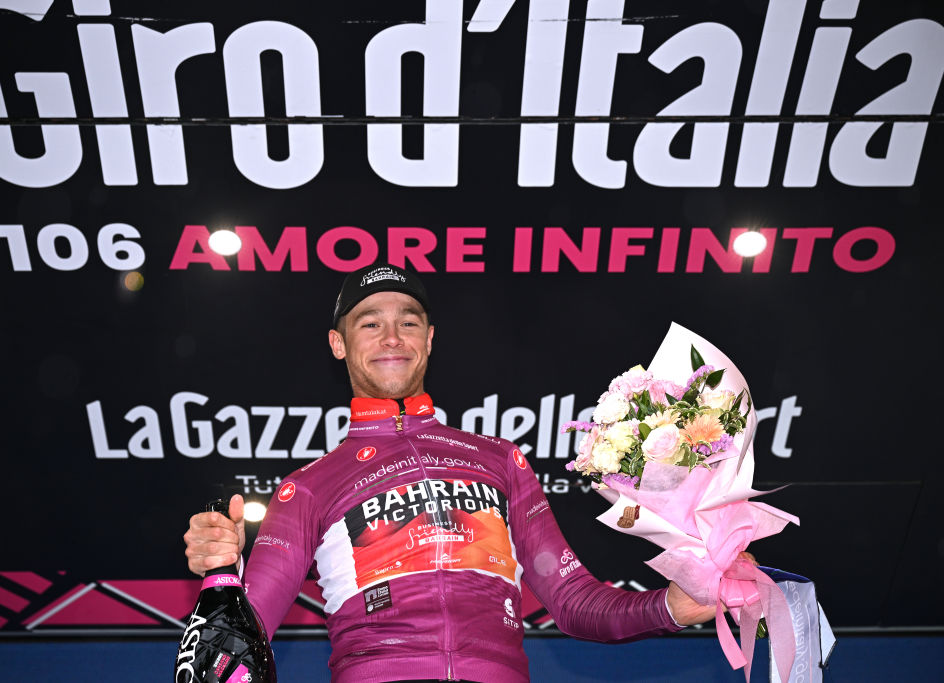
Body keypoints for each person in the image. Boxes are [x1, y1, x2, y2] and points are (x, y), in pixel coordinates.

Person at [184, 263, 732, 682]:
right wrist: (220, 575)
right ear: (339, 343)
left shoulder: (499, 460)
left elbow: (576, 603)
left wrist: (674, 606)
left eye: (408, 322)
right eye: (369, 323)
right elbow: (231, 651)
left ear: (429, 339)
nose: (391, 337)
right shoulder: (307, 488)